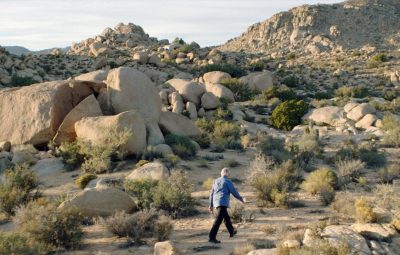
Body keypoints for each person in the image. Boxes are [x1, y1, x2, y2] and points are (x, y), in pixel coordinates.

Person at [208, 167, 245, 243]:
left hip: (216, 202)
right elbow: (234, 192)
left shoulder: (216, 181)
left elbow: (211, 194)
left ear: (221, 173)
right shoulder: (227, 181)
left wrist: (211, 205)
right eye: (229, 174)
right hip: (223, 202)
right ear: (227, 174)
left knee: (226, 217)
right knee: (218, 220)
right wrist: (241, 199)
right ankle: (211, 237)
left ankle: (232, 231)